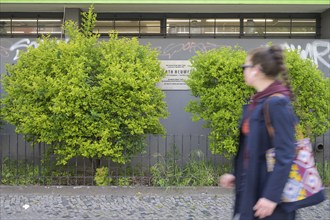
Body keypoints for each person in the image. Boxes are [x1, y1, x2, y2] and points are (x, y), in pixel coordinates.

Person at [219, 45, 297, 220]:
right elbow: (252, 149)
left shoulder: (277, 103)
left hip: (268, 199)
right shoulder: (258, 102)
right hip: (251, 188)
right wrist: (237, 174)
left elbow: (286, 153)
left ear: (257, 70)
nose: (243, 71)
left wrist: (271, 197)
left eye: (244, 67)